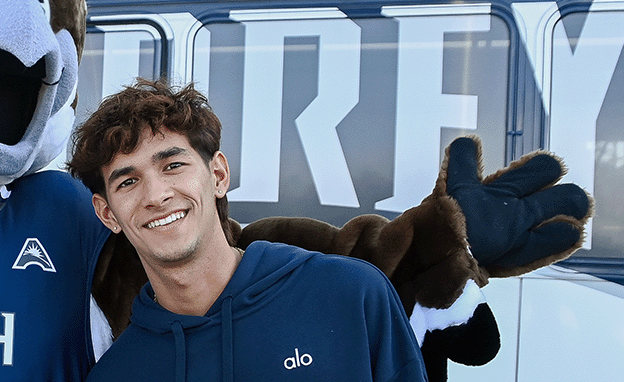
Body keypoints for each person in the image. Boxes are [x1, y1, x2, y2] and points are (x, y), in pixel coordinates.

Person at [67, 79, 426, 382]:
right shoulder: (117, 373)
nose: (156, 196)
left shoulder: (350, 295)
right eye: (128, 182)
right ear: (108, 214)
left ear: (218, 175)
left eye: (173, 165)